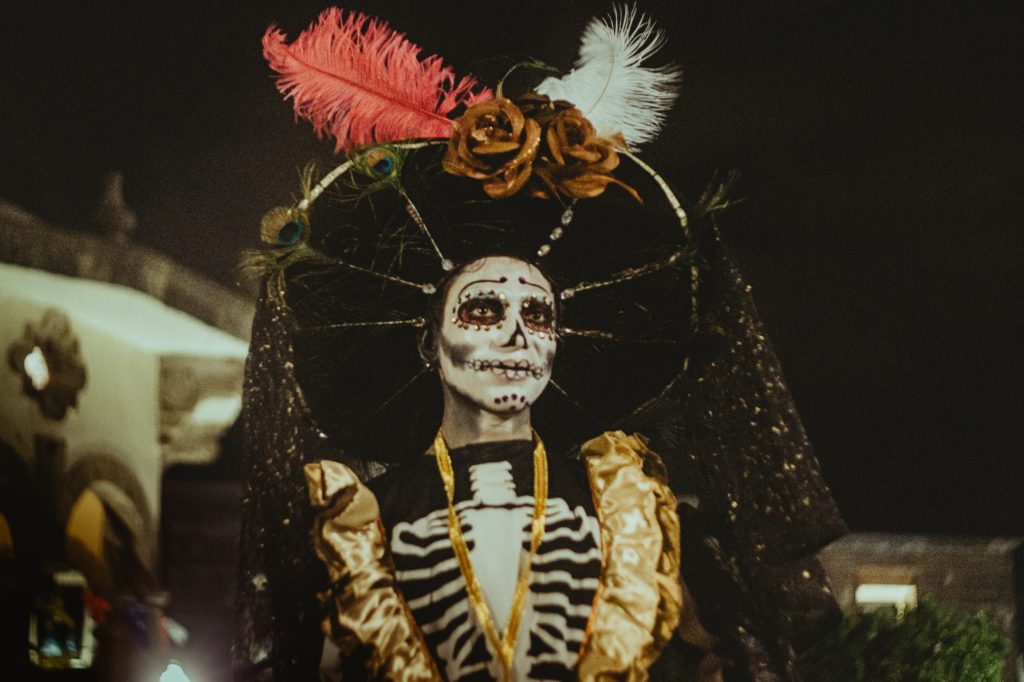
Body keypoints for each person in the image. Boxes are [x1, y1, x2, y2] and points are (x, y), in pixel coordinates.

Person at [234, 7, 847, 681]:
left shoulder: (631, 510)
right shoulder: (369, 522)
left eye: (540, 314)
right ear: (429, 342)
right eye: (484, 308)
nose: (517, 334)